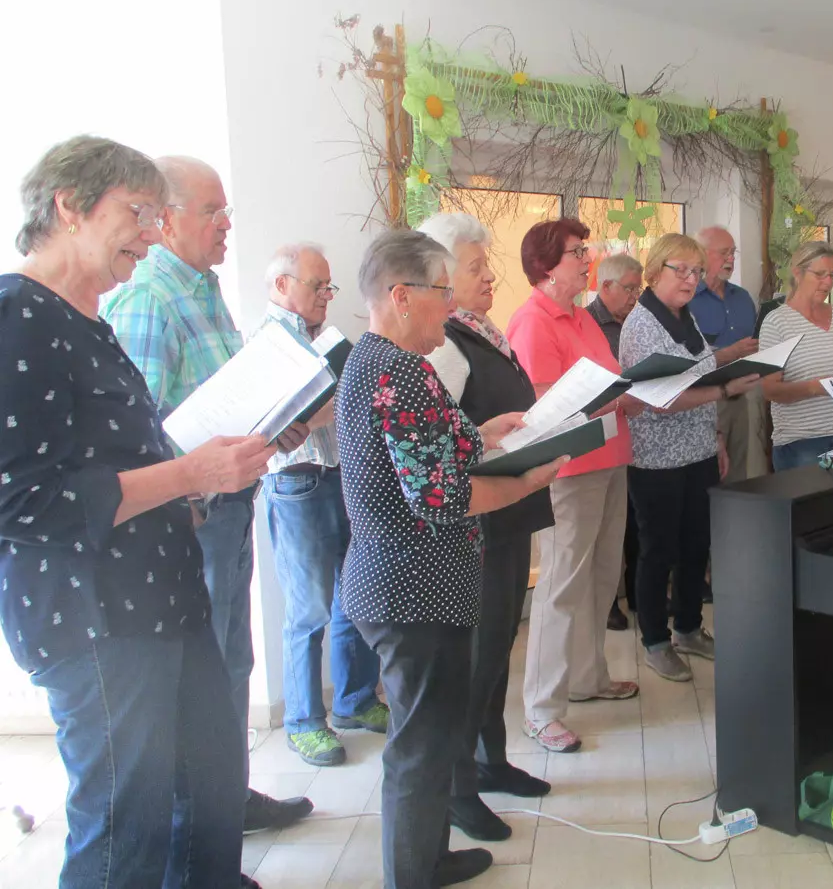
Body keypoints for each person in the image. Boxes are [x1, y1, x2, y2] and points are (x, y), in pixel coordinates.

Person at [1, 135, 276, 888]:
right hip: (96, 618)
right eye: (138, 213)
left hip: (161, 599)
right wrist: (188, 473)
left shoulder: (89, 318)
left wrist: (190, 492)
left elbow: (122, 459)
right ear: (69, 207)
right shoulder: (18, 315)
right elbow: (22, 499)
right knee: (126, 829)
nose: (153, 235)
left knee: (209, 792)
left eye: (158, 216)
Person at [335, 230, 564, 889]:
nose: (452, 305)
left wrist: (483, 432)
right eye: (442, 291)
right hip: (413, 588)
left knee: (432, 738)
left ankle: (430, 858)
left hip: (405, 582)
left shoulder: (377, 358)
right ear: (401, 296)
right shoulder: (401, 371)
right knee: (420, 745)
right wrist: (525, 483)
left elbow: (423, 450)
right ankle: (412, 874)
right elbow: (441, 498)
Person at [101, 156, 314, 833]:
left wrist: (273, 426)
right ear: (164, 220)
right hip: (188, 517)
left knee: (230, 661)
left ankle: (227, 800)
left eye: (226, 211)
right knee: (202, 674)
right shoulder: (148, 298)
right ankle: (201, 825)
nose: (226, 225)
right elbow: (136, 435)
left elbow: (220, 399)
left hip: (228, 505)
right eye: (212, 212)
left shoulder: (201, 289)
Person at [419, 212, 555, 843]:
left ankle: (490, 760)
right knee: (477, 658)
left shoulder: (481, 332)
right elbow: (440, 441)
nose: (489, 276)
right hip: (477, 520)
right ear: (441, 274)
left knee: (499, 647)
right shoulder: (444, 346)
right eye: (476, 266)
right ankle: (456, 790)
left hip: (508, 508)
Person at [507, 218, 641, 754]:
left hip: (610, 458)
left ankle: (588, 677)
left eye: (586, 251)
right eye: (576, 253)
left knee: (602, 577)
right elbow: (541, 405)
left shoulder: (583, 316)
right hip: (569, 471)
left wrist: (628, 393)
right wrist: (610, 399)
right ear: (546, 266)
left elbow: (605, 381)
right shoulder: (532, 320)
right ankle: (541, 710)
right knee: (562, 587)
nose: (587, 260)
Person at [257, 243, 387, 768]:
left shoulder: (325, 339)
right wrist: (321, 412)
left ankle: (355, 701)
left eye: (329, 287)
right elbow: (263, 428)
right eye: (318, 286)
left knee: (353, 595)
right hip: (296, 483)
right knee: (308, 609)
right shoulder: (266, 344)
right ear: (281, 285)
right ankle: (304, 722)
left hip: (340, 475)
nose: (326, 296)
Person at [619, 234, 760, 681]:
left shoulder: (685, 315)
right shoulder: (642, 324)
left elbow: (699, 370)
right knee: (658, 550)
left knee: (697, 544)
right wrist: (725, 390)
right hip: (657, 457)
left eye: (696, 271)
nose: (690, 278)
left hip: (698, 448)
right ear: (654, 270)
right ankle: (656, 642)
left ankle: (688, 628)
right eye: (680, 269)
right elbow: (659, 399)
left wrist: (716, 437)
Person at [758, 242, 833, 471]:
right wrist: (814, 388)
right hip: (802, 442)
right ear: (797, 273)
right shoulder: (777, 322)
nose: (828, 282)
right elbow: (769, 390)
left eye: (832, 275)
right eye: (820, 274)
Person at [586, 253, 644, 631]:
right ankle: (605, 603)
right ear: (605, 286)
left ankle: (636, 593)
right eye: (629, 289)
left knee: (633, 521)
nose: (635, 297)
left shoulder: (637, 322)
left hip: (637, 431)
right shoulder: (588, 323)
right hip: (600, 437)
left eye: (639, 289)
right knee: (601, 531)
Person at [690, 226, 760, 482]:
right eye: (724, 252)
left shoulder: (742, 298)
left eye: (733, 252)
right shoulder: (686, 300)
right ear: (701, 254)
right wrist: (727, 354)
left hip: (741, 398)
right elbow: (684, 362)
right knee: (707, 477)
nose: (730, 259)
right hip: (701, 402)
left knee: (739, 478)